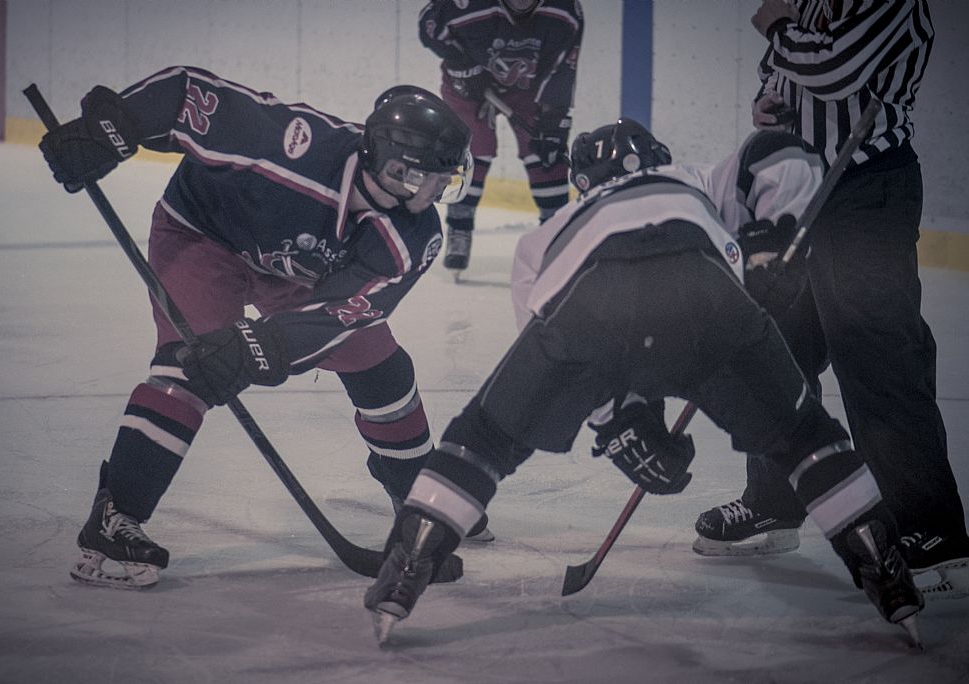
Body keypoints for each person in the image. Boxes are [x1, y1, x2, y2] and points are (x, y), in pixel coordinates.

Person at [362, 118, 923, 645]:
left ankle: (404, 572)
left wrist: (619, 418)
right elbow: (781, 153)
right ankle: (885, 570)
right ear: (660, 157)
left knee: (483, 439)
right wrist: (770, 242)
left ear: (583, 184)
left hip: (587, 302)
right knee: (805, 438)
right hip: (705, 292)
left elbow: (545, 342)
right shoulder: (694, 180)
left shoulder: (547, 234)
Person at [37, 67, 492, 589]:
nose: (442, 188)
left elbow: (340, 313)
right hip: (202, 237)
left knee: (381, 367)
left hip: (301, 273)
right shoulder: (291, 147)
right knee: (188, 369)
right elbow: (187, 93)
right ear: (398, 170)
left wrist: (259, 346)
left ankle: (414, 492)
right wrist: (110, 129)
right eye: (435, 177)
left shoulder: (413, 236)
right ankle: (114, 518)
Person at [694, 0, 969, 600]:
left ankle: (931, 528)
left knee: (877, 356)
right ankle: (775, 501)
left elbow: (833, 67)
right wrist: (768, 97)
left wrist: (774, 25)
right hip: (800, 183)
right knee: (776, 351)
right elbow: (787, 69)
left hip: (865, 191)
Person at [418, 0, 584, 273]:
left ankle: (555, 233)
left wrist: (554, 117)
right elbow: (429, 27)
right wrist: (463, 65)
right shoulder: (462, 5)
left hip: (531, 87)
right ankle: (459, 228)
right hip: (468, 86)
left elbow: (563, 66)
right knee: (472, 151)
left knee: (546, 152)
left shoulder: (564, 10)